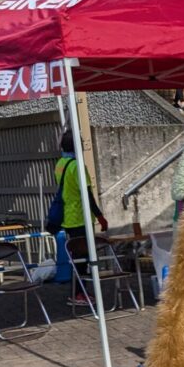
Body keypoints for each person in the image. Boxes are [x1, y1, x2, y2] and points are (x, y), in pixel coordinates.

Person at [55, 128, 107, 306]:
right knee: (83, 259)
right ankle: (79, 293)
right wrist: (100, 216)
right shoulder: (78, 167)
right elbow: (87, 194)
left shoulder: (61, 164)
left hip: (68, 217)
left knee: (77, 258)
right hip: (80, 217)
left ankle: (79, 292)